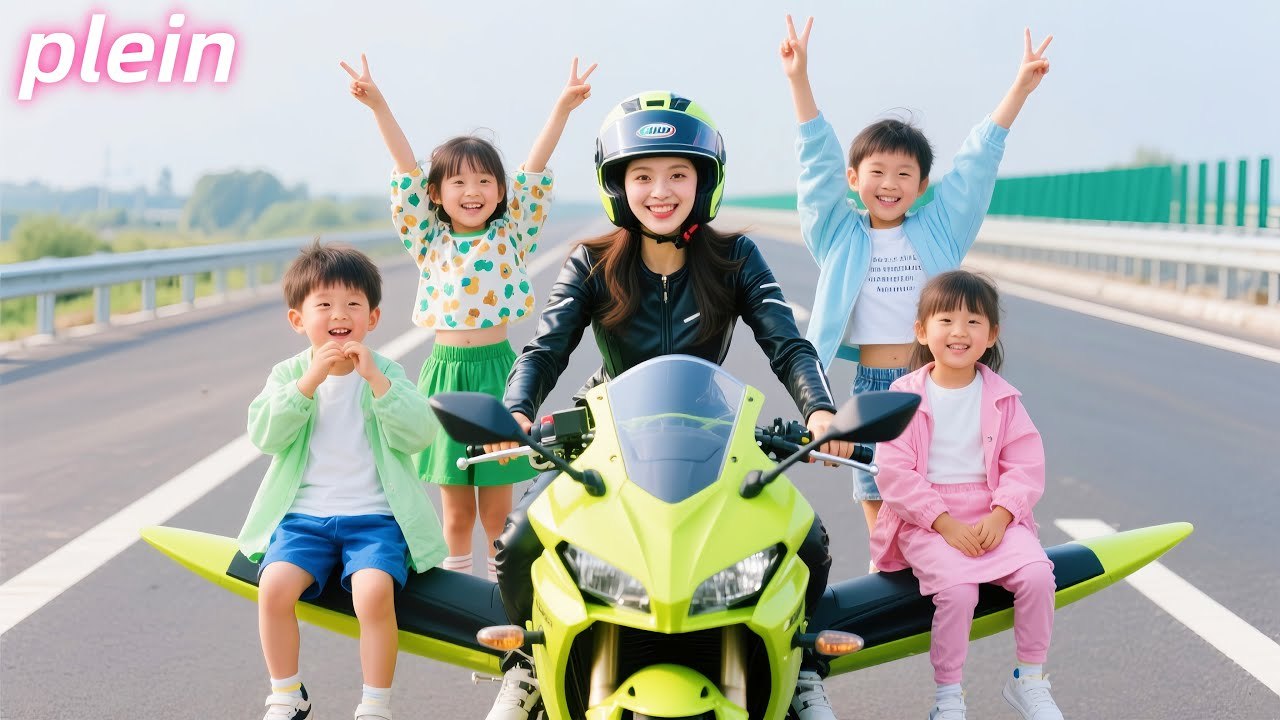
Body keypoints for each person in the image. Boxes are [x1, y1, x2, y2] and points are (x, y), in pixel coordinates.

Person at [485, 90, 852, 720]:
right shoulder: (592, 261)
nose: (661, 190)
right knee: (520, 539)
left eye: (678, 174)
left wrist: (820, 412)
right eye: (643, 175)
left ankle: (805, 665)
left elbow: (787, 344)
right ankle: (526, 664)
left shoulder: (734, 257)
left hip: (712, 432)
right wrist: (517, 412)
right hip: (603, 433)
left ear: (704, 182)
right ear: (617, 186)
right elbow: (544, 349)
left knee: (806, 541)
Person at [778, 16, 1054, 549]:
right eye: (876, 172)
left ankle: (947, 609)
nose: (890, 184)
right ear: (854, 180)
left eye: (905, 174)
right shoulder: (837, 234)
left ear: (923, 185)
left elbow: (977, 164)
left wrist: (1019, 87)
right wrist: (799, 81)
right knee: (887, 536)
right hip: (875, 392)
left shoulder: (940, 228)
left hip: (938, 389)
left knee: (942, 518)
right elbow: (815, 165)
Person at [342, 52, 595, 579]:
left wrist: (563, 109)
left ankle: (500, 595)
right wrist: (378, 105)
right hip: (444, 376)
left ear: (499, 192)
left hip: (498, 374)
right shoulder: (428, 239)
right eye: (457, 183)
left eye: (484, 181)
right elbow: (406, 170)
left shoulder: (512, 235)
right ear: (436, 195)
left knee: (497, 509)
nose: (472, 192)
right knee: (455, 508)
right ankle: (460, 590)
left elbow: (533, 172)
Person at [237, 241, 447, 720]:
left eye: (354, 304)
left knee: (372, 593)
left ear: (372, 318)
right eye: (325, 305)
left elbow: (419, 434)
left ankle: (375, 703)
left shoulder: (386, 371)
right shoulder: (289, 374)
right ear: (299, 320)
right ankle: (287, 693)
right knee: (272, 589)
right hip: (304, 520)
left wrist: (378, 382)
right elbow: (265, 434)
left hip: (375, 520)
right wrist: (308, 383)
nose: (340, 314)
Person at [870, 270, 1062, 720]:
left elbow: (1026, 465)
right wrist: (945, 524)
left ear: (992, 335)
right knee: (957, 592)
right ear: (922, 330)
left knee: (1037, 575)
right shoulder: (903, 396)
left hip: (993, 512)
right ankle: (949, 696)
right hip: (928, 521)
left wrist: (1000, 517)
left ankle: (1030, 679)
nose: (960, 332)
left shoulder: (1004, 398)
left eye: (974, 322)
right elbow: (894, 473)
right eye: (946, 320)